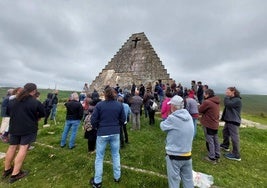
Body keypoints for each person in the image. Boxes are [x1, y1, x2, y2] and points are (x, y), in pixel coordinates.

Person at [3, 83, 45, 183]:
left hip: (14, 127)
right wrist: (35, 117)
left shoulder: (12, 100)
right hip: (28, 128)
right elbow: (43, 114)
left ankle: (7, 169)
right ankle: (15, 173)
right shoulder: (35, 102)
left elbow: (8, 113)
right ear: (34, 91)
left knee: (12, 147)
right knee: (23, 148)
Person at [90, 86, 126, 187]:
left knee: (100, 157)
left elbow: (93, 120)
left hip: (103, 133)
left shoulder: (100, 105)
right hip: (114, 132)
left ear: (105, 94)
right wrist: (115, 126)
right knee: (115, 154)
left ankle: (97, 181)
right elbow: (123, 119)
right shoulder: (119, 105)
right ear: (114, 94)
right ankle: (117, 177)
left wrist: (98, 127)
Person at [160, 95, 194, 188]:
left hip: (174, 155)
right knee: (188, 180)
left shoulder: (172, 118)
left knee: (174, 181)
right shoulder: (189, 117)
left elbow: (162, 126)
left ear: (174, 106)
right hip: (187, 153)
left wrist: (168, 115)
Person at [198, 89, 220, 164]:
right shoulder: (216, 101)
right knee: (215, 140)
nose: (204, 95)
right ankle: (217, 154)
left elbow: (200, 109)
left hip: (208, 123)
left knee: (210, 140)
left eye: (204, 94)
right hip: (215, 123)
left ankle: (212, 157)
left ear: (207, 94)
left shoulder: (207, 102)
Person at [220, 87, 242, 161]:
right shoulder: (232, 99)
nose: (226, 93)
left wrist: (226, 97)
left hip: (233, 121)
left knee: (234, 137)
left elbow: (228, 104)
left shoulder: (237, 100)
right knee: (225, 132)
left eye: (228, 92)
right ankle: (225, 145)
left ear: (233, 92)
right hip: (229, 120)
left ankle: (236, 155)